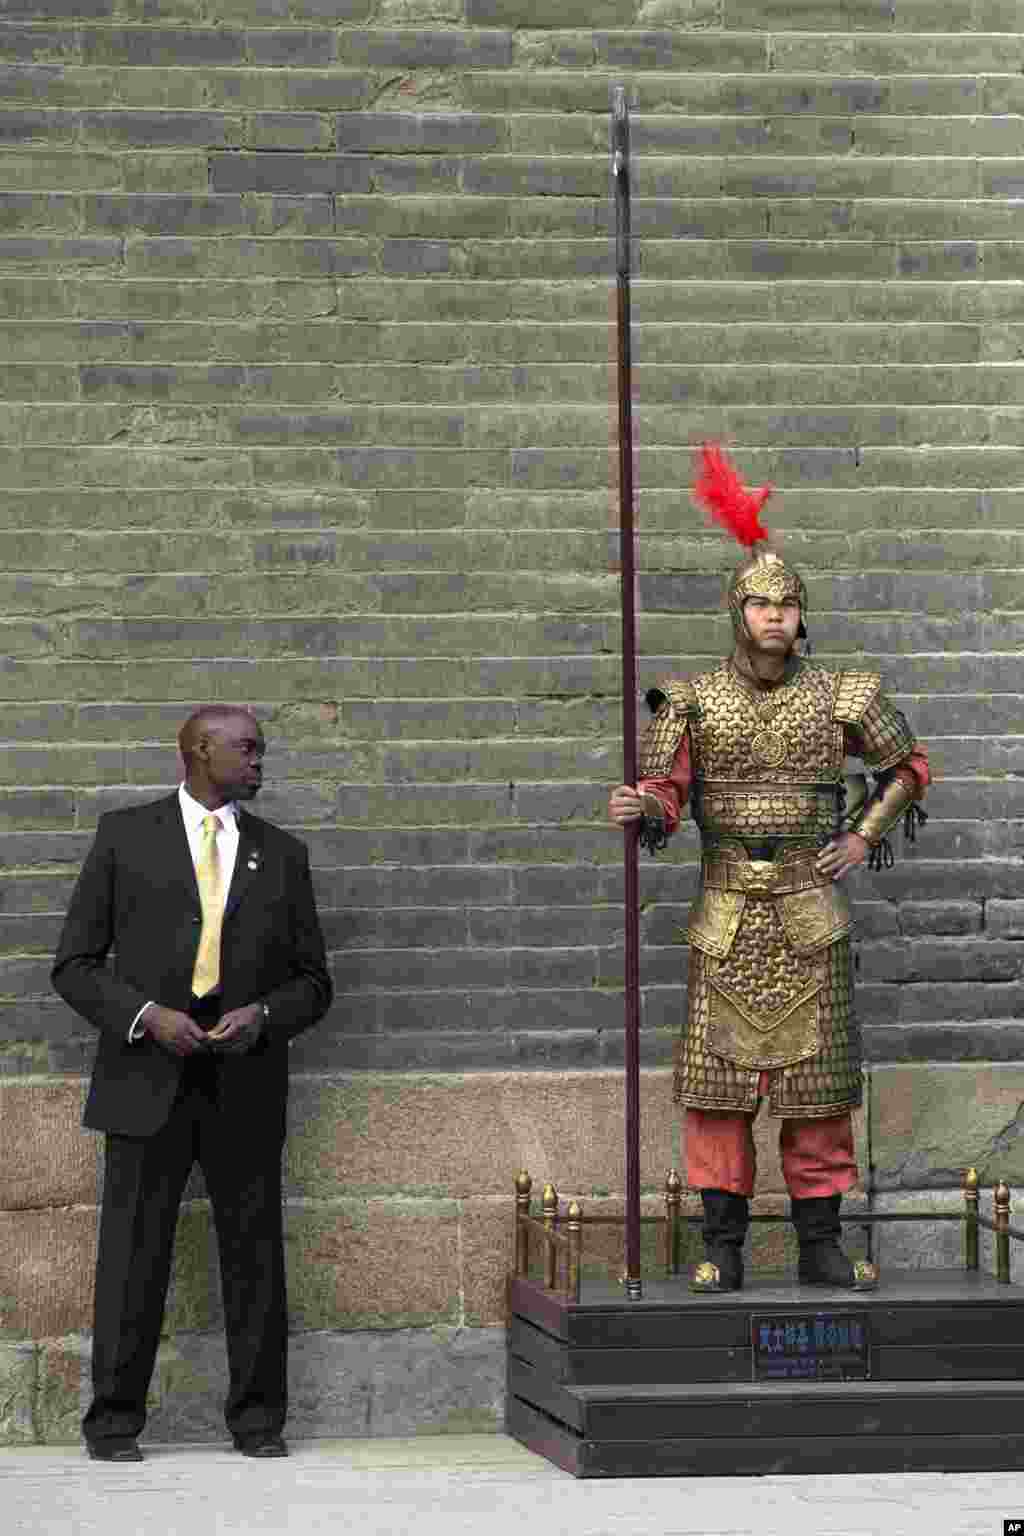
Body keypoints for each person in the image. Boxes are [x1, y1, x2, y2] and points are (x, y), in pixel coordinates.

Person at [609, 457, 929, 1295]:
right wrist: (644, 810)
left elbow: (909, 765)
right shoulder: (692, 701)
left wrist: (862, 836)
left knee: (819, 1089)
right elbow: (668, 795)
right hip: (724, 911)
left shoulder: (840, 697)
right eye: (762, 604)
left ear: (801, 616)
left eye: (788, 606)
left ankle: (821, 1244)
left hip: (809, 907)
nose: (776, 616)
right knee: (719, 1093)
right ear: (737, 612)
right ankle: (724, 1246)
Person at [52, 706, 332, 1461]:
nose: (259, 760)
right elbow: (74, 965)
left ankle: (258, 1422)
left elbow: (315, 983)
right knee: (132, 1256)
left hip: (244, 1081)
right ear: (197, 751)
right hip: (147, 1078)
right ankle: (113, 1423)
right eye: (246, 748)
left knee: (254, 1256)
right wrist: (146, 1016)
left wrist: (264, 1015)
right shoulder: (124, 837)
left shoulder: (281, 855)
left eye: (261, 749)